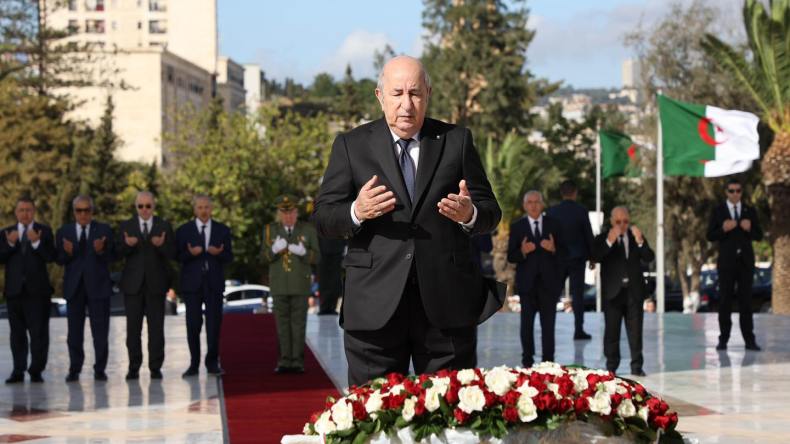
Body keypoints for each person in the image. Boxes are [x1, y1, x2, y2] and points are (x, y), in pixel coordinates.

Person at [313, 56, 501, 386]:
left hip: (445, 306)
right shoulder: (351, 145)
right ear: (380, 96)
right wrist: (356, 211)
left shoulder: (456, 141)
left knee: (450, 408)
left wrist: (469, 214)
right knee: (374, 410)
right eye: (397, 93)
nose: (406, 104)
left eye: (415, 93)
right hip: (374, 306)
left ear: (428, 94)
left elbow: (490, 212)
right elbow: (324, 218)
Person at [116, 191, 175, 380]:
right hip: (132, 286)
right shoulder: (126, 226)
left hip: (156, 285)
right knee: (133, 329)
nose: (144, 210)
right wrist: (128, 245)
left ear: (153, 207)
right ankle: (133, 367)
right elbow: (116, 253)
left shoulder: (163, 226)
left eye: (148, 206)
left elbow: (173, 253)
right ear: (136, 207)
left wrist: (161, 245)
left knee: (156, 329)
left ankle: (155, 367)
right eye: (140, 206)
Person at [55, 195, 115, 382]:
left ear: (92, 211)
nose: (83, 214)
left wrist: (101, 250)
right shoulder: (64, 231)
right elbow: (59, 259)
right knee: (74, 333)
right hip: (75, 289)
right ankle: (75, 369)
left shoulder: (104, 230)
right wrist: (68, 252)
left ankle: (100, 369)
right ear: (74, 212)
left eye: (86, 210)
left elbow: (113, 257)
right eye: (79, 210)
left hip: (98, 287)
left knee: (100, 332)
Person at [592, 206, 654, 376]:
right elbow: (595, 256)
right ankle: (611, 367)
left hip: (633, 292)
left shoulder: (635, 237)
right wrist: (609, 242)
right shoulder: (603, 238)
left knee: (636, 331)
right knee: (612, 332)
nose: (622, 225)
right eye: (618, 221)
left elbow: (649, 257)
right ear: (612, 221)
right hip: (613, 293)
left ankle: (637, 366)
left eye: (625, 221)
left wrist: (640, 241)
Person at [176, 195, 233, 377]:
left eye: (206, 207)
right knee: (193, 324)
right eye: (200, 207)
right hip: (192, 285)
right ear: (195, 210)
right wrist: (190, 253)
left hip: (214, 284)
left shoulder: (222, 230)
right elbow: (177, 256)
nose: (203, 211)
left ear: (211, 209)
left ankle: (212, 363)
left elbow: (229, 257)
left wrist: (217, 253)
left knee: (214, 325)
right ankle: (194, 364)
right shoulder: (184, 230)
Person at [0, 197, 56, 384]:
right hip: (14, 292)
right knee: (17, 335)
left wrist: (36, 243)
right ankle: (18, 370)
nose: (25, 213)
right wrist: (9, 244)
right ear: (16, 213)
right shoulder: (6, 233)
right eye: (21, 210)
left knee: (39, 334)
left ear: (34, 212)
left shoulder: (44, 231)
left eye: (28, 210)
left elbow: (51, 256)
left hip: (38, 293)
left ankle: (36, 370)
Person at [262, 195, 319, 374]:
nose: (288, 216)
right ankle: (284, 361)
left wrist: (303, 252)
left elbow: (317, 257)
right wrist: (274, 250)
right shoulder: (270, 230)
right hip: (279, 285)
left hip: (300, 284)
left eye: (291, 212)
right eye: (284, 213)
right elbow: (263, 257)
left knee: (298, 325)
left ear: (297, 212)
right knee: (282, 326)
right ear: (279, 213)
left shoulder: (307, 229)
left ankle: (297, 362)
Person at [706, 178, 763, 351]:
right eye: (732, 191)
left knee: (746, 302)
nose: (735, 194)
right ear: (726, 192)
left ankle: (749, 340)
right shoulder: (718, 211)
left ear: (741, 192)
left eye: (738, 191)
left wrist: (749, 228)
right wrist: (723, 229)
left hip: (745, 263)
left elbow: (759, 235)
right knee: (725, 301)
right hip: (726, 263)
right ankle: (723, 339)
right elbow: (710, 235)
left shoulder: (749, 211)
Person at [507, 191, 561, 367]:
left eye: (537, 202)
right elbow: (511, 256)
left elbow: (565, 253)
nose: (533, 205)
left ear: (542, 204)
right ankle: (527, 362)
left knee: (548, 326)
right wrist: (522, 251)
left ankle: (548, 363)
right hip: (527, 285)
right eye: (530, 202)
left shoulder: (554, 224)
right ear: (524, 206)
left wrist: (553, 248)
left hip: (548, 285)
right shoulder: (517, 227)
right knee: (526, 326)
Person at [546, 179, 594, 340]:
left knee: (553, 294)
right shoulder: (581, 211)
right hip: (577, 259)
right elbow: (588, 235)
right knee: (577, 295)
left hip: (557, 259)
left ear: (561, 193)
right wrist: (593, 258)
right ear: (575, 193)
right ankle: (578, 330)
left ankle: (549, 327)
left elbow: (547, 236)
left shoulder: (552, 211)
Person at [317, 236, 345, 315]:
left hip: (337, 250)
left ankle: (332, 307)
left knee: (335, 280)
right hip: (322, 251)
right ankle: (324, 307)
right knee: (323, 280)